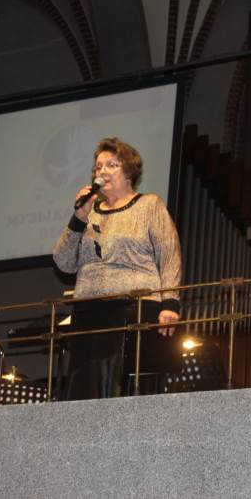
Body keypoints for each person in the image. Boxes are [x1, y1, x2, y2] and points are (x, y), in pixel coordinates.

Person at [53, 137, 182, 400]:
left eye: (111, 165)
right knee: (85, 394)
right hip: (88, 312)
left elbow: (169, 254)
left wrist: (170, 302)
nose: (102, 171)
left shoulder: (149, 205)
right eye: (98, 167)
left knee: (125, 392)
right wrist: (79, 217)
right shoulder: (88, 212)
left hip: (134, 309)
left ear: (129, 172)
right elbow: (63, 262)